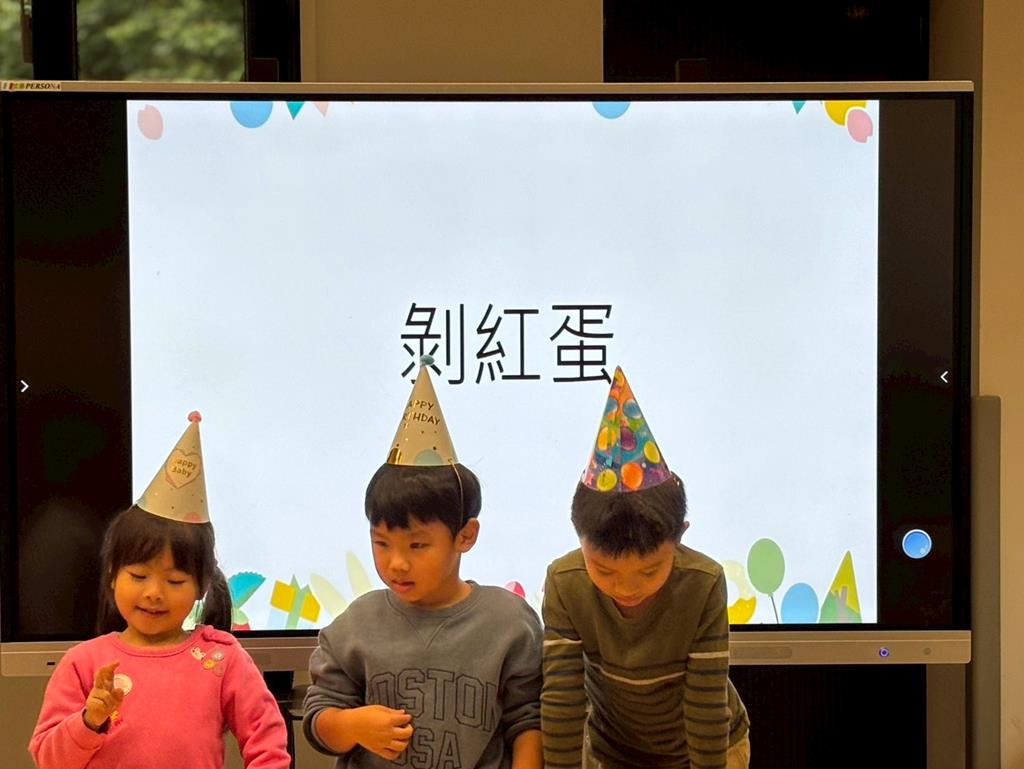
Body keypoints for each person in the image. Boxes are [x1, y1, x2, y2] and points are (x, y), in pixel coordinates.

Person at [303, 359, 543, 769]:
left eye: (417, 545)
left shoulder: (508, 622)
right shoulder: (357, 624)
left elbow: (528, 719)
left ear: (465, 535)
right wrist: (351, 725)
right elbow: (319, 719)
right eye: (381, 543)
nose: (396, 563)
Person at [29, 412, 290, 769]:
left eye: (174, 581)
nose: (154, 592)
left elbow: (267, 739)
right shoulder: (83, 662)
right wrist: (89, 721)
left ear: (201, 585)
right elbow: (49, 760)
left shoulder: (222, 659)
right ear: (112, 575)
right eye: (138, 576)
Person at [541, 368, 750, 769]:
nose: (627, 588)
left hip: (709, 748)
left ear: (679, 537)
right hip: (612, 750)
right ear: (579, 538)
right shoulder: (565, 583)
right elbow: (562, 700)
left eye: (651, 571)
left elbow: (705, 703)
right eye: (604, 571)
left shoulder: (702, 583)